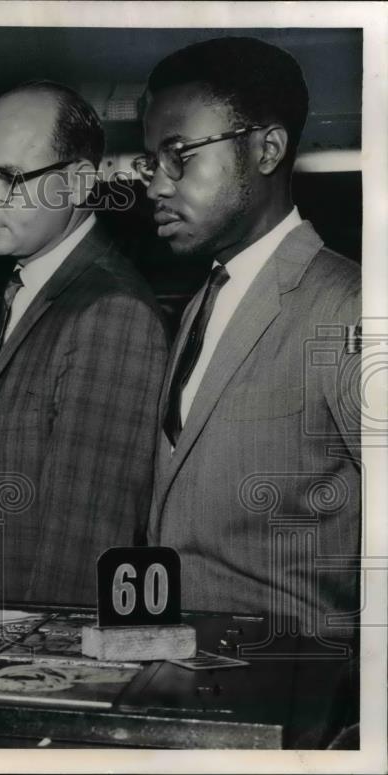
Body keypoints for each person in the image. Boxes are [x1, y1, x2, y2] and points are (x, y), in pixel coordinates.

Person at [139, 37, 361, 632]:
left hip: (300, 685)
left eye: (179, 155)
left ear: (267, 149)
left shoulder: (351, 307)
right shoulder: (203, 303)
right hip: (194, 674)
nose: (156, 185)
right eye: (150, 163)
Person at [0, 82, 169, 607]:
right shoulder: (31, 289)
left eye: (11, 179)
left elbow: (85, 548)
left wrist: (34, 675)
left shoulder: (110, 313)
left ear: (79, 182)